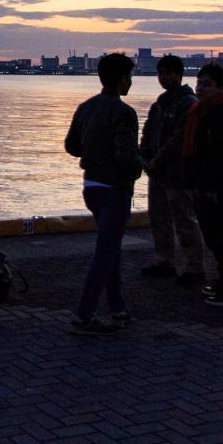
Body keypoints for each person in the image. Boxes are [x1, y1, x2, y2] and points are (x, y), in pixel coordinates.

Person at [63, 53, 143, 335]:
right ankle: (84, 315)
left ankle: (118, 308)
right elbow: (126, 155)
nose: (130, 82)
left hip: (91, 187)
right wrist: (142, 165)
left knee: (111, 250)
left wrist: (93, 151)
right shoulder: (124, 113)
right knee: (105, 252)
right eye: (130, 77)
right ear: (123, 79)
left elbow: (72, 145)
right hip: (114, 190)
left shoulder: (87, 107)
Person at [184, 63, 223, 306]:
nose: (200, 88)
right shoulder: (201, 113)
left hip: (215, 187)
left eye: (207, 84)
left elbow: (221, 156)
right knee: (214, 238)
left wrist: (211, 188)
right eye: (199, 83)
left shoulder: (219, 114)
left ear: (220, 87)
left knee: (220, 239)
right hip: (205, 185)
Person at [138, 55, 204, 287]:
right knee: (159, 218)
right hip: (157, 171)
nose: (163, 78)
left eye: (167, 73)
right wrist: (144, 155)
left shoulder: (187, 103)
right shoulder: (159, 104)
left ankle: (195, 265)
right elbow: (148, 133)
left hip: (177, 173)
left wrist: (155, 160)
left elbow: (178, 139)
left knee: (184, 219)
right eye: (160, 73)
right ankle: (165, 260)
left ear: (178, 75)